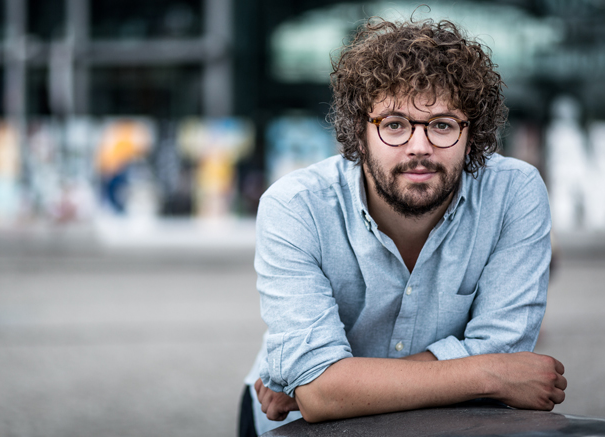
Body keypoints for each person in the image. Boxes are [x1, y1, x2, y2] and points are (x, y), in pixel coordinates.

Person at [239, 17, 566, 436]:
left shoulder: (514, 193)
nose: (419, 147)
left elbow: (501, 350)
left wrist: (338, 383)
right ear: (359, 132)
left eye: (443, 125)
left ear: (473, 135)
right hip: (292, 425)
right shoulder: (295, 205)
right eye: (394, 124)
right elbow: (499, 369)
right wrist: (487, 374)